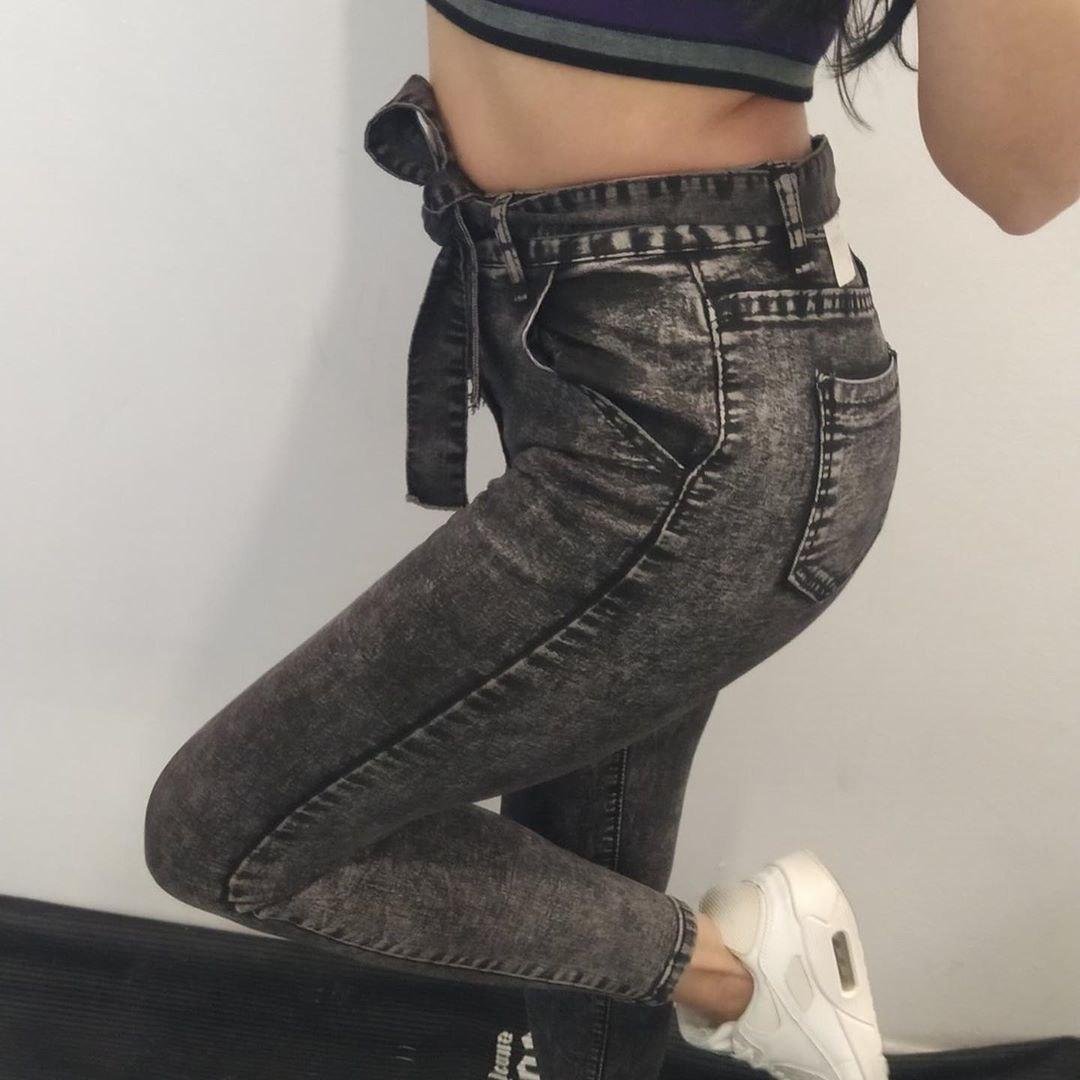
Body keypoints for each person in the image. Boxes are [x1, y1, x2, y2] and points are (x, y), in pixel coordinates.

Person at [143, 3, 1080, 1079]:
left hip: (705, 397)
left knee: (222, 836)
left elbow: (1023, 175)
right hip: (570, 336)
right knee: (580, 876)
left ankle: (745, 979)